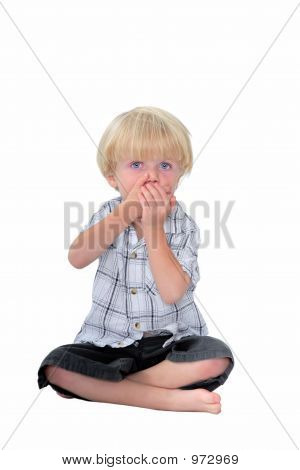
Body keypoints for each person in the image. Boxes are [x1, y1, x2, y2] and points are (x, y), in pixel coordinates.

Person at [37, 106, 234, 413]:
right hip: (109, 343)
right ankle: (166, 398)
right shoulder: (109, 213)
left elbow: (172, 293)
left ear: (180, 175)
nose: (151, 176)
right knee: (56, 365)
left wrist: (154, 228)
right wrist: (124, 213)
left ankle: (106, 386)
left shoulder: (183, 225)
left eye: (165, 165)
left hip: (169, 345)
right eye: (137, 164)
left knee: (217, 356)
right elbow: (77, 258)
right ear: (112, 177)